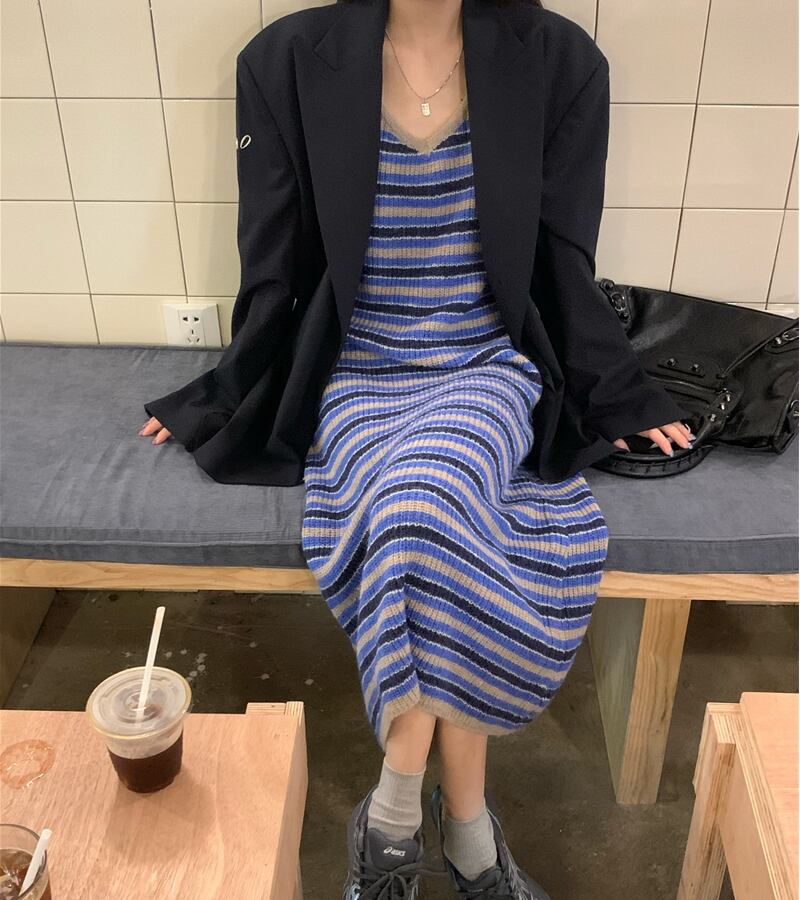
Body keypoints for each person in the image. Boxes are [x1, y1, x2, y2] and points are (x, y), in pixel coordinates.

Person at [139, 1, 694, 896]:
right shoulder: (286, 60)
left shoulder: (558, 61)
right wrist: (226, 391)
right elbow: (270, 260)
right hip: (357, 371)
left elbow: (564, 258)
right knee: (432, 525)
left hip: (483, 365)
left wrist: (618, 391)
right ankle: (470, 834)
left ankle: (392, 816)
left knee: (417, 513)